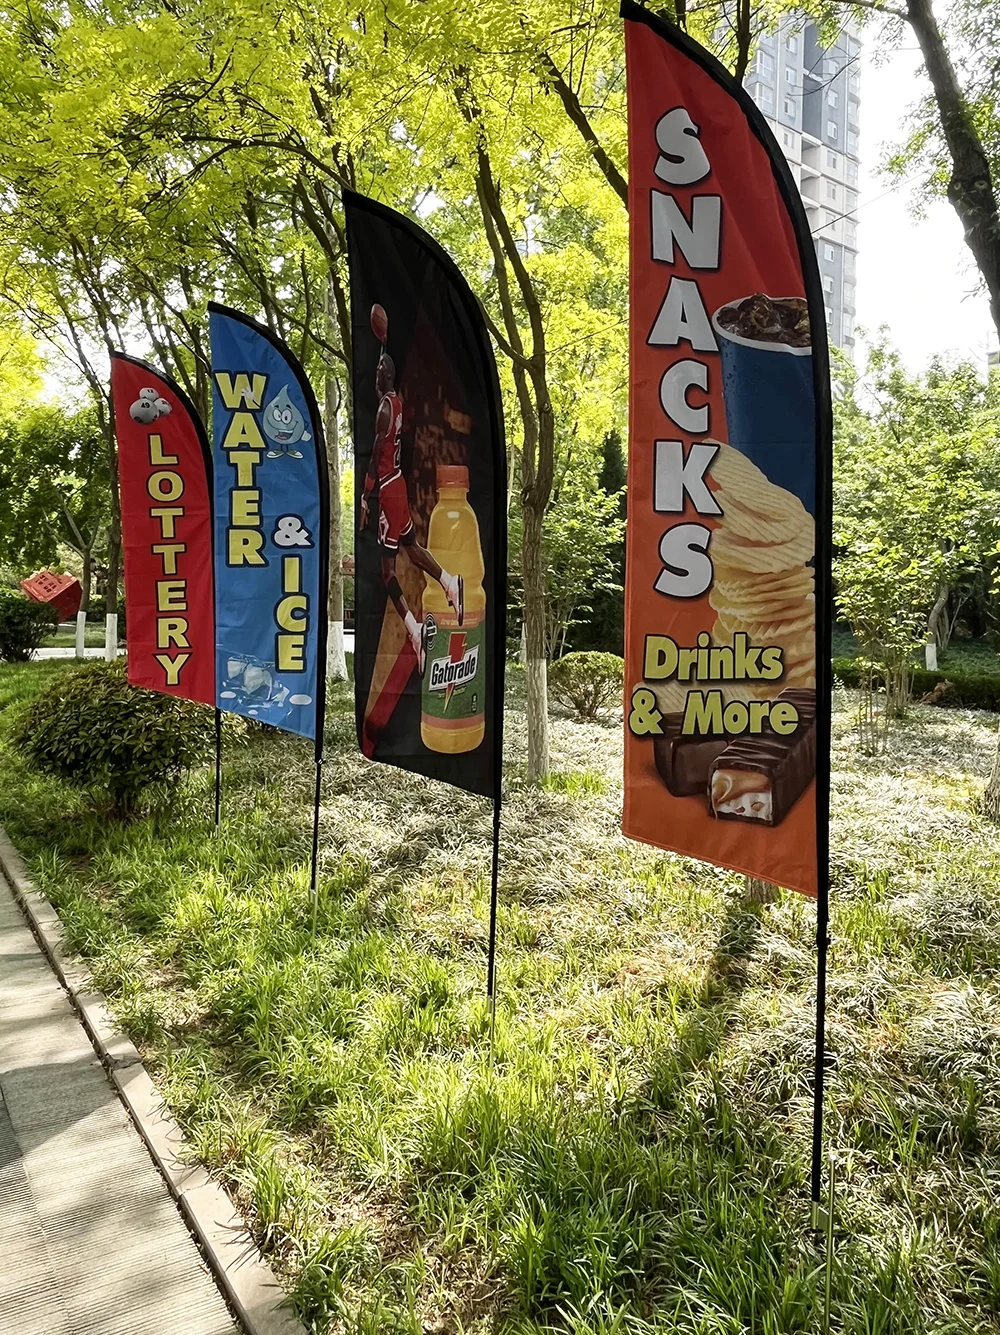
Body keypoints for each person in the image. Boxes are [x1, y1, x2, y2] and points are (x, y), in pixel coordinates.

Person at [359, 351, 463, 672]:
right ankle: (449, 581)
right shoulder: (397, 402)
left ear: (388, 375)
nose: (375, 371)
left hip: (389, 488)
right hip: (398, 483)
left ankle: (415, 630)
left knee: (388, 572)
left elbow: (378, 452)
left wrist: (365, 496)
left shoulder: (384, 412)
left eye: (380, 368)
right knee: (412, 548)